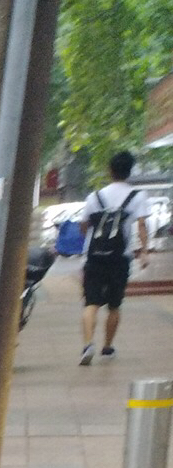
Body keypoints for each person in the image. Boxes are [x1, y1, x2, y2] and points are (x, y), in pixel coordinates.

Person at [79, 150, 151, 366]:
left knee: (90, 303)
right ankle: (107, 347)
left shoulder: (95, 197)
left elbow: (84, 226)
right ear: (129, 171)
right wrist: (145, 251)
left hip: (94, 257)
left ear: (109, 171)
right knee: (114, 304)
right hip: (120, 258)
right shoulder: (137, 196)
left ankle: (87, 344)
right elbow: (141, 225)